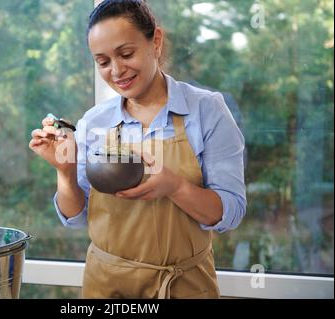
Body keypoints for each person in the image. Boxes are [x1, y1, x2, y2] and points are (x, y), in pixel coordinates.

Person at [29, 0, 246, 299]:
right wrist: (65, 171)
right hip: (107, 287)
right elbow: (76, 217)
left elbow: (231, 212)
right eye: (103, 62)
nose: (117, 71)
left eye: (126, 54)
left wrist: (175, 186)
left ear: (155, 42)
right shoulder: (94, 121)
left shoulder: (206, 110)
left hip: (185, 287)